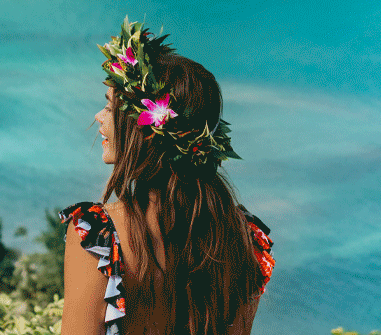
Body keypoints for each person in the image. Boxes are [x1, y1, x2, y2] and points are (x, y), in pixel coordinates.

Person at [60, 17, 274, 335]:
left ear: (144, 129)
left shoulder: (98, 236)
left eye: (110, 108)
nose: (99, 117)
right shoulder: (243, 237)